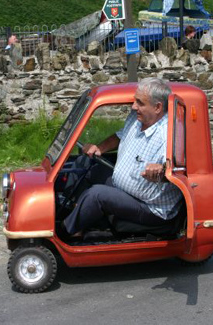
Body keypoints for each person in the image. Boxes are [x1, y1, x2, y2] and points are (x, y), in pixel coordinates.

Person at [62, 78, 183, 237]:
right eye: (134, 101)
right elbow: (120, 136)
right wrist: (99, 148)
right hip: (124, 187)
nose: (134, 106)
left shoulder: (169, 136)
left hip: (149, 207)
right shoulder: (137, 118)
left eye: (140, 103)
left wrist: (162, 172)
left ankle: (64, 233)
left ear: (158, 107)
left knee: (97, 195)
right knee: (84, 162)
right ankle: (72, 212)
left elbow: (180, 169)